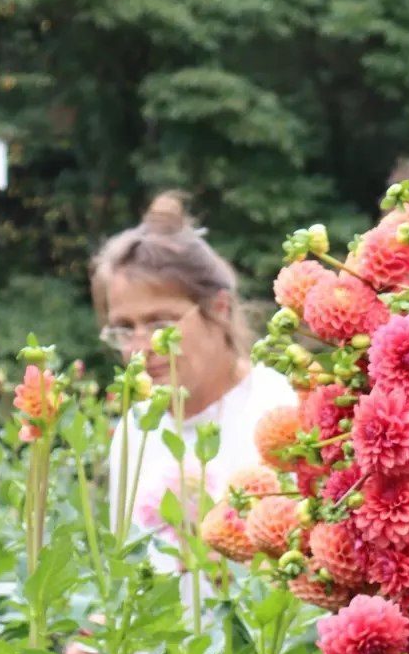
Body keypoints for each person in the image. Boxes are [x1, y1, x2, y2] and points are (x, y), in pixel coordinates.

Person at [91, 192, 295, 553]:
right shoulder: (135, 431)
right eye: (124, 328)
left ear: (218, 307)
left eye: (161, 322)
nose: (141, 347)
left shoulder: (279, 412)